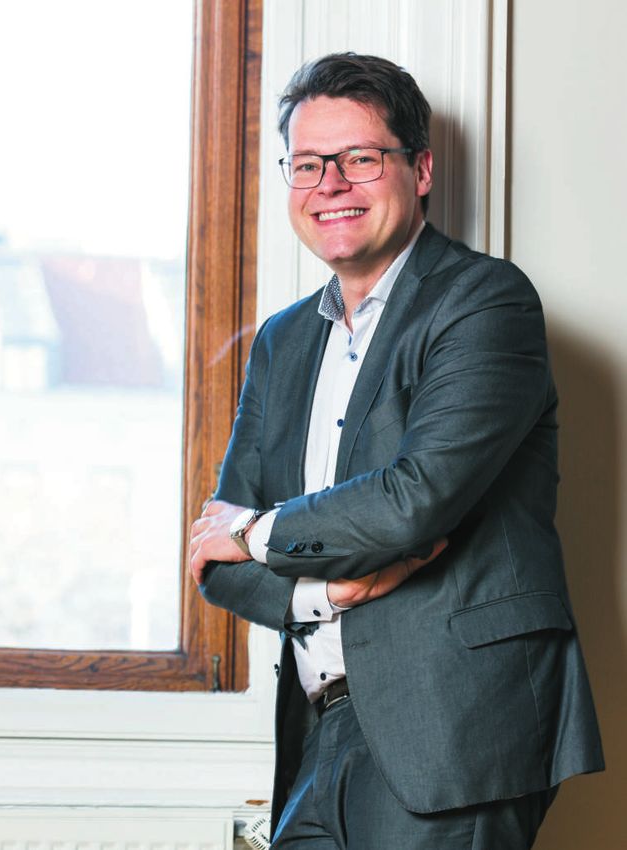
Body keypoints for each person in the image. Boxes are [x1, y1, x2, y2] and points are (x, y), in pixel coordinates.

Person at [188, 53, 604, 850]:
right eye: (308, 164)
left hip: (451, 731)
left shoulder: (485, 302)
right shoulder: (281, 341)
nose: (330, 184)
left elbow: (415, 499)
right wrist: (326, 594)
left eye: (360, 158)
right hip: (316, 733)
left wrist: (255, 531)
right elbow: (217, 560)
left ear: (421, 170)